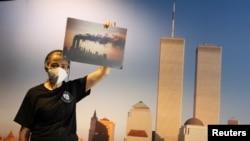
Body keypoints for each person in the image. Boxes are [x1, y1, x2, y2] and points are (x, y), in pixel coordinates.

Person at [14, 49, 110, 141]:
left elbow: (103, 72)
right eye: (55, 65)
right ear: (47, 66)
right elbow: (24, 130)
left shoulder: (73, 88)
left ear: (67, 69)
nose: (59, 69)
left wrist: (106, 40)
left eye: (63, 66)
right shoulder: (34, 93)